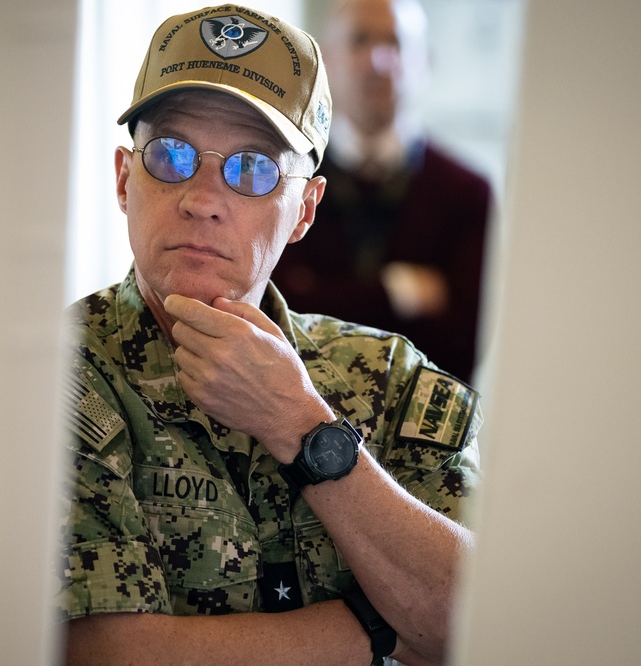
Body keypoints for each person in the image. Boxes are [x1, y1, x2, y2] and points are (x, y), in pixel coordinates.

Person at [57, 5, 481, 665]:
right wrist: (380, 629)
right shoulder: (56, 375)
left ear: (305, 209)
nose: (202, 198)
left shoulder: (391, 379)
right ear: (122, 178)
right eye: (171, 156)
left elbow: (481, 619)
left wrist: (302, 427)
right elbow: (111, 655)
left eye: (251, 169)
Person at [271, 0, 493, 384]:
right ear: (327, 59)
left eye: (396, 44)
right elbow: (273, 314)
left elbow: (463, 345)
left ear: (426, 61)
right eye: (359, 41)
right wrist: (397, 292)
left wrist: (325, 292)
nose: (377, 60)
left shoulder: (468, 192)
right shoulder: (282, 176)